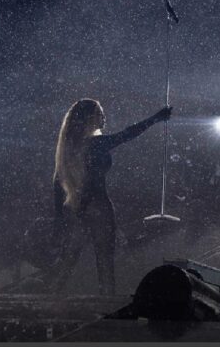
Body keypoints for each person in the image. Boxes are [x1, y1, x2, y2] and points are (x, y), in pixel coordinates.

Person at [46, 98, 171, 295]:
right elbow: (127, 134)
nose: (104, 117)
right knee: (104, 263)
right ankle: (107, 306)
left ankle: (46, 302)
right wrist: (156, 118)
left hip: (75, 207)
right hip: (98, 208)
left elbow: (58, 184)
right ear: (89, 118)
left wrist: (60, 219)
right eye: (99, 113)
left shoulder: (68, 148)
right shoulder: (96, 144)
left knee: (67, 262)